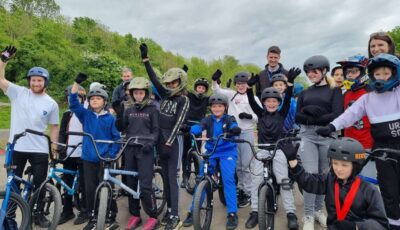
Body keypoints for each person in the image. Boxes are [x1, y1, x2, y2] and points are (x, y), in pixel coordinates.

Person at [316, 53, 400, 229]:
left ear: (395, 73)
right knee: (389, 193)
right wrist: (331, 127)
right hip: (382, 150)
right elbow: (349, 116)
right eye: (377, 74)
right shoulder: (368, 99)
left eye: (386, 73)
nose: (382, 77)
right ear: (371, 75)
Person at [0, 46, 60, 228]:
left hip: (39, 149)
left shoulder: (51, 103)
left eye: (39, 80)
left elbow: (54, 127)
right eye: (33, 80)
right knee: (13, 183)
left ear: (45, 82)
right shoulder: (18, 93)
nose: (35, 83)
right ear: (29, 81)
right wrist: (3, 60)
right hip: (16, 147)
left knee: (40, 185)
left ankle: (38, 213)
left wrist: (54, 147)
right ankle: (9, 215)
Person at [281, 137, 389, 230]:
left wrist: (356, 226)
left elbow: (381, 225)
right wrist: (293, 163)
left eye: (344, 165)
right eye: (335, 163)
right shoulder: (330, 179)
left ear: (356, 165)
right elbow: (309, 182)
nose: (338, 169)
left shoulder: (369, 190)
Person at [140, 43, 189, 230]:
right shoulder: (165, 95)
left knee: (172, 179)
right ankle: (169, 211)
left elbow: (179, 122)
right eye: (168, 83)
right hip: (160, 141)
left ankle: (175, 215)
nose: (169, 86)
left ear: (181, 82)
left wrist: (169, 141)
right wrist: (146, 60)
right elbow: (153, 78)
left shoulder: (183, 99)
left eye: (173, 83)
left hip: (173, 142)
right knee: (166, 181)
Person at [246, 68, 301, 229]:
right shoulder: (261, 114)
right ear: (264, 103)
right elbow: (251, 102)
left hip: (278, 149)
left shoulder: (281, 113)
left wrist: (289, 83)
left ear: (278, 103)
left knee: (283, 180)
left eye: (274, 101)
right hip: (262, 149)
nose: (271, 104)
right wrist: (249, 88)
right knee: (256, 180)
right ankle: (255, 211)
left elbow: (289, 96)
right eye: (268, 101)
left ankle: (291, 213)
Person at [295, 55, 343, 230]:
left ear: (324, 71)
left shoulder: (334, 90)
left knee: (323, 175)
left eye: (314, 71)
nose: (310, 74)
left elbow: (337, 114)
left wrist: (317, 116)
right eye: (308, 72)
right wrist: (310, 114)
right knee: (309, 175)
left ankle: (317, 210)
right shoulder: (305, 93)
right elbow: (297, 116)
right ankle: (307, 214)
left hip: (327, 135)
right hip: (307, 135)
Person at [69, 73, 121, 230]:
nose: (95, 100)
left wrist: (111, 155)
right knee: (90, 189)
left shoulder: (111, 119)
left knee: (107, 187)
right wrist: (76, 83)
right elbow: (73, 104)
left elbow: (117, 139)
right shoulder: (86, 115)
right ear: (89, 102)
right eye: (92, 99)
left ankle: (111, 217)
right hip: (88, 158)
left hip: (105, 159)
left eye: (98, 98)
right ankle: (93, 217)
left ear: (104, 101)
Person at [182, 93, 242, 230]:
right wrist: (189, 129)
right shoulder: (207, 119)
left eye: (220, 106)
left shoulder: (229, 118)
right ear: (211, 108)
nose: (217, 109)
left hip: (227, 151)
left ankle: (232, 213)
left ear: (225, 107)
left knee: (228, 180)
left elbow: (234, 126)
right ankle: (193, 211)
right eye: (214, 106)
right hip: (211, 151)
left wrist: (235, 129)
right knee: (202, 178)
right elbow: (198, 128)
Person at [212, 70, 261, 208]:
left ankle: (248, 191)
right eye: (239, 84)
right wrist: (214, 80)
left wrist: (249, 116)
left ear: (248, 84)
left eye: (244, 83)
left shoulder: (254, 98)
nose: (241, 86)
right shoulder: (231, 95)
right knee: (237, 164)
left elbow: (259, 116)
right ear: (235, 85)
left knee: (246, 164)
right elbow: (216, 90)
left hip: (247, 132)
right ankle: (240, 189)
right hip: (233, 133)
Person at [119, 77, 160, 230]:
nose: (138, 96)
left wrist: (151, 143)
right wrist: (119, 112)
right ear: (131, 94)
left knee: (145, 185)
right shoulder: (129, 110)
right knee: (130, 183)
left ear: (146, 93)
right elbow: (122, 127)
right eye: (135, 93)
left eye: (141, 93)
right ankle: (135, 214)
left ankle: (153, 216)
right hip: (129, 148)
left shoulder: (153, 110)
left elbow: (156, 131)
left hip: (146, 150)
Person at [58, 85, 88, 226]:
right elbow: (62, 133)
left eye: (77, 97)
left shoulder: (86, 113)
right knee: (67, 182)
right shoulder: (67, 114)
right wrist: (61, 149)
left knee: (84, 183)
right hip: (69, 153)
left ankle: (85, 210)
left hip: (83, 153)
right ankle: (67, 210)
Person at [336, 55, 373, 149]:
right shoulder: (345, 94)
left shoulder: (371, 92)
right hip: (348, 143)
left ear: (363, 72)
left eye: (354, 71)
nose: (349, 75)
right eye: (347, 72)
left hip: (366, 145)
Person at [180, 76, 210, 188]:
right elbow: (182, 89)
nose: (201, 89)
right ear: (196, 88)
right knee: (185, 153)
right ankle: (185, 177)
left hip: (198, 127)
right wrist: (183, 75)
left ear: (205, 90)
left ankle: (198, 174)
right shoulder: (190, 95)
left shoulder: (206, 99)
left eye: (203, 88)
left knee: (197, 152)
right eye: (199, 87)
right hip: (186, 125)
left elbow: (215, 99)